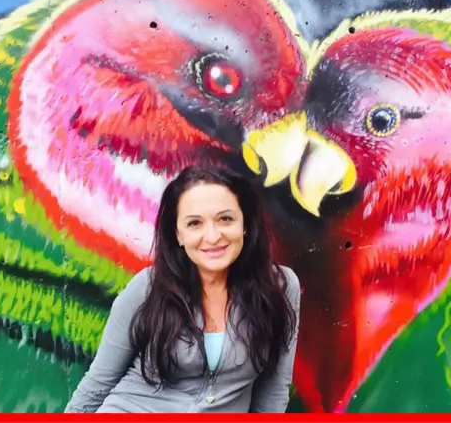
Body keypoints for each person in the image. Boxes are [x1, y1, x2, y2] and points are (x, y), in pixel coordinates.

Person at [64, 165, 301, 413]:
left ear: (245, 223)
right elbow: (99, 382)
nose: (212, 236)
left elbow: (274, 387)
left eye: (225, 219)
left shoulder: (281, 287)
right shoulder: (149, 287)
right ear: (178, 234)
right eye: (194, 223)